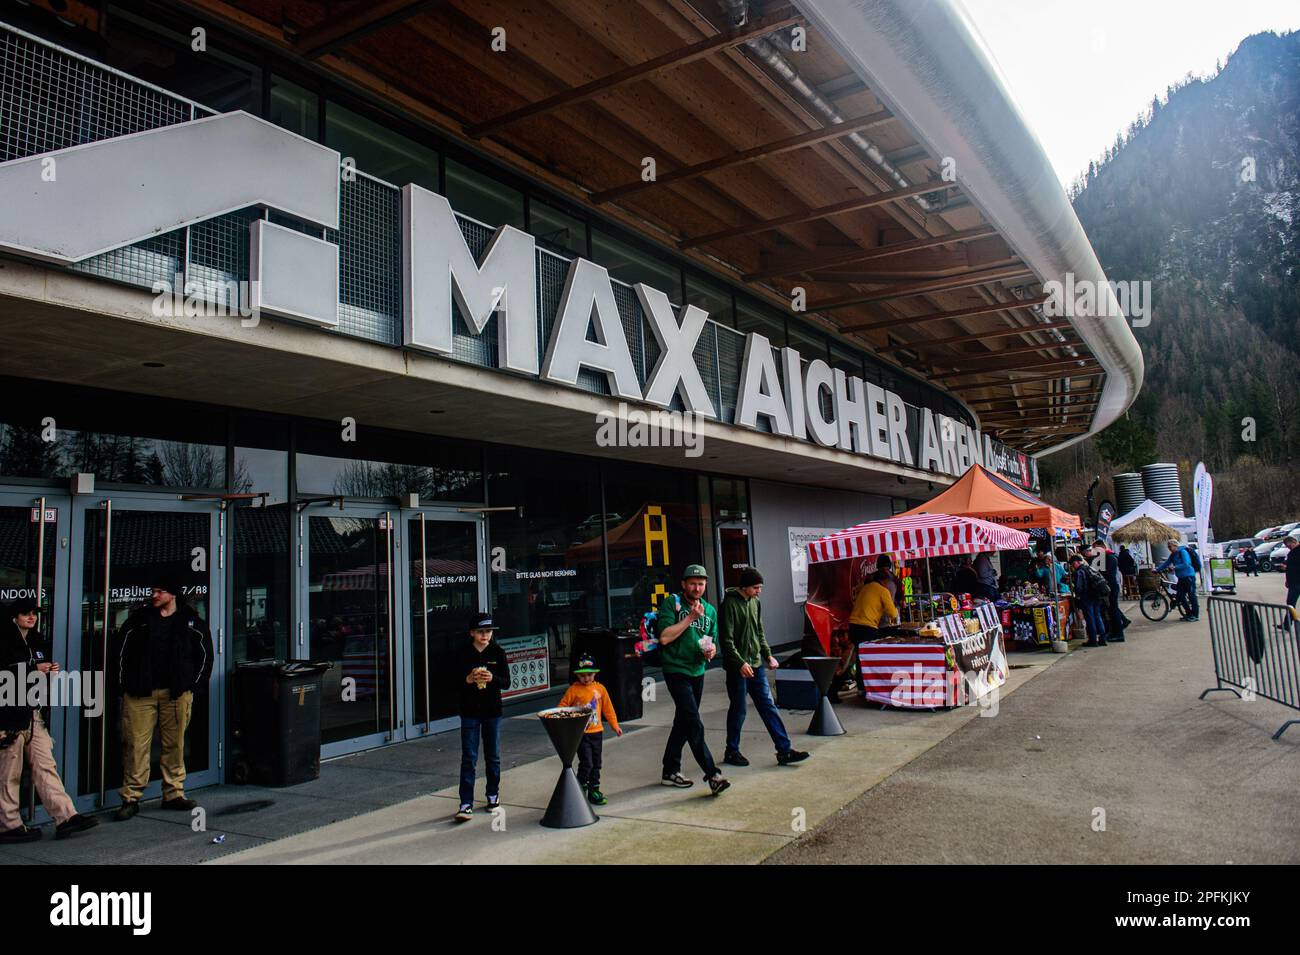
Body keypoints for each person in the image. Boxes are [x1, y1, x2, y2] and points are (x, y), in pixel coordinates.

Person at [113, 575, 214, 820]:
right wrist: (122, 685)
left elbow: (205, 655)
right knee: (136, 744)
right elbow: (120, 653)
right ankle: (131, 797)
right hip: (140, 692)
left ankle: (174, 793)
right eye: (154, 590)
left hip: (177, 693)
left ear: (172, 594)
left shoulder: (190, 621)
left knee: (175, 744)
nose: (154, 595)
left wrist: (194, 686)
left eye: (160, 591)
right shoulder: (139, 620)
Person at [0, 598, 98, 842]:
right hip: (7, 714)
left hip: (31, 712)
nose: (31, 617)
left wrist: (49, 674)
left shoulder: (36, 640)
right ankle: (8, 824)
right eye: (26, 613)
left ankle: (66, 816)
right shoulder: (3, 640)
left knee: (45, 764)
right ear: (14, 616)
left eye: (34, 613)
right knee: (9, 771)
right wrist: (34, 671)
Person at [718, 567, 809, 768]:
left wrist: (768, 654)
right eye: (756, 587)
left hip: (756, 664)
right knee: (739, 709)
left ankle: (784, 750)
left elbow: (760, 631)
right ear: (744, 587)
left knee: (768, 706)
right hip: (737, 668)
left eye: (760, 587)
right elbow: (726, 640)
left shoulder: (755, 603)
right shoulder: (729, 605)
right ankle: (731, 751)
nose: (759, 591)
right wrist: (740, 663)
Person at [656, 565, 729, 796]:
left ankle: (670, 770)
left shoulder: (710, 610)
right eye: (692, 583)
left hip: (698, 671)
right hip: (676, 670)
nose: (697, 588)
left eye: (701, 583)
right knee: (693, 721)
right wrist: (690, 618)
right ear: (683, 584)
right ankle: (712, 774)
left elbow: (712, 641)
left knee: (684, 722)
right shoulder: (672, 604)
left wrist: (711, 651)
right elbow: (665, 638)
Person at [454, 611, 511, 821]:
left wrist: (493, 677)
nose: (485, 635)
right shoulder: (462, 653)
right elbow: (452, 682)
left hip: (492, 711)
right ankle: (465, 802)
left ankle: (493, 794)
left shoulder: (498, 652)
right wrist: (468, 679)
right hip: (469, 711)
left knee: (493, 755)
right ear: (472, 633)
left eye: (488, 631)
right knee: (469, 757)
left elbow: (506, 682)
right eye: (481, 631)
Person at [557, 654, 621, 805]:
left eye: (589, 675)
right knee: (587, 762)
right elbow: (562, 707)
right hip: (581, 733)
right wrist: (565, 722)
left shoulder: (600, 689)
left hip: (597, 732)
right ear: (577, 675)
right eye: (583, 675)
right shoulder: (573, 690)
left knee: (597, 762)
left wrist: (615, 725)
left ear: (595, 674)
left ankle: (594, 790)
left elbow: (608, 709)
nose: (586, 678)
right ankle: (580, 788)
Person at [1089, 542, 1128, 642]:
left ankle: (1119, 634)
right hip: (1108, 587)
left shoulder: (1110, 557)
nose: (1094, 551)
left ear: (1101, 547)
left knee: (1113, 610)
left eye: (1095, 548)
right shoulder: (1105, 557)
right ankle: (1115, 631)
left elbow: (1107, 573)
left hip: (1111, 587)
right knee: (1111, 610)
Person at [1069, 554, 1109, 646]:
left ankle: (1093, 640)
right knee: (1097, 617)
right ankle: (1102, 639)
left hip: (1087, 597)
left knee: (1090, 618)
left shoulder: (1079, 572)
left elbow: (1079, 587)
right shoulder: (1090, 568)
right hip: (1096, 596)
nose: (1072, 566)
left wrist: (1077, 596)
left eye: (1072, 564)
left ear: (1077, 562)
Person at [1155, 539, 1199, 622]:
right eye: (1168, 547)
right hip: (1181, 578)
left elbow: (1186, 563)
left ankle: (1195, 615)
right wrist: (1157, 569)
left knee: (1192, 596)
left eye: (1170, 546)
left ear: (1175, 546)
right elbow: (1166, 563)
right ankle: (1188, 613)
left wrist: (1175, 567)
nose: (1169, 548)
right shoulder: (1172, 555)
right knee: (1180, 596)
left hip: (1189, 576)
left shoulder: (1182, 552)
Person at [1278, 537, 1299, 633]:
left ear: (1294, 542)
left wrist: (1288, 566)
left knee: (1290, 603)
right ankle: (1286, 624)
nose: (1289, 548)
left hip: (1298, 581)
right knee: (1290, 603)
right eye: (1287, 547)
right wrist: (1287, 580)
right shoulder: (1291, 553)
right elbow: (1289, 563)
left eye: (1289, 546)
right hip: (1293, 582)